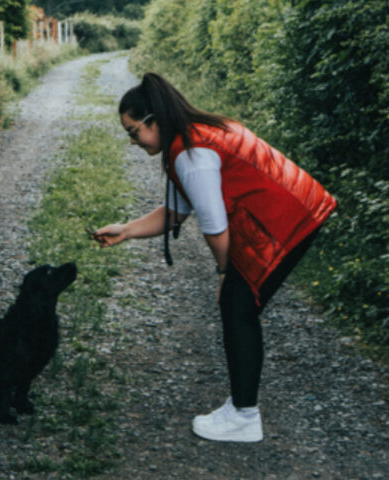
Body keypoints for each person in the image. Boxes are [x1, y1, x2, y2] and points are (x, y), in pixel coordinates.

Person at [91, 73, 336, 443]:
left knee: (237, 306)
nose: (131, 141)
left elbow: (215, 228)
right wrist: (125, 229)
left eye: (133, 131)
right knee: (238, 306)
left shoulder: (191, 155)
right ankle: (241, 407)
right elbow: (177, 210)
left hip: (288, 221)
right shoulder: (195, 134)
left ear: (154, 120)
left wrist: (226, 271)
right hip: (298, 209)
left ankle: (244, 417)